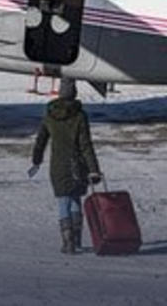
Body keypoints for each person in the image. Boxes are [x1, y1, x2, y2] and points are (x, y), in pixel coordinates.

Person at [30, 79, 102, 254]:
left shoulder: (50, 115)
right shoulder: (80, 116)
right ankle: (77, 239)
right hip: (77, 166)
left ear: (60, 93)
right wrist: (93, 169)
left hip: (58, 166)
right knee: (76, 199)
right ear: (74, 93)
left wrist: (36, 160)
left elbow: (41, 140)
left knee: (63, 201)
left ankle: (67, 242)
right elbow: (86, 145)